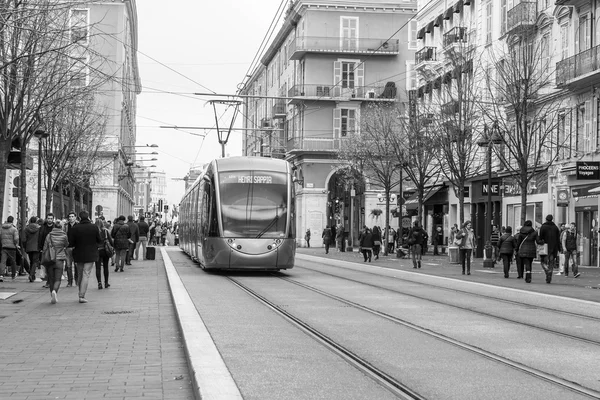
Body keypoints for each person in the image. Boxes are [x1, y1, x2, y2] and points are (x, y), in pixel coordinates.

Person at [68, 211, 102, 303]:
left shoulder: (75, 228)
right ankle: (82, 295)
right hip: (91, 254)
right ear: (88, 217)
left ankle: (80, 291)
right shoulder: (94, 227)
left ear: (79, 217)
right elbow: (99, 240)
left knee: (80, 274)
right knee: (86, 274)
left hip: (78, 254)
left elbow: (71, 243)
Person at [42, 221, 69, 304]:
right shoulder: (64, 235)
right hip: (60, 259)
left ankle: (51, 294)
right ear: (61, 227)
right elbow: (66, 245)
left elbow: (45, 247)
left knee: (51, 279)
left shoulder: (49, 235)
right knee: (58, 279)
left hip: (50, 259)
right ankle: (55, 291)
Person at [537, 214, 561, 284]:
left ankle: (547, 270)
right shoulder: (555, 228)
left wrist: (540, 242)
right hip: (554, 248)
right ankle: (549, 275)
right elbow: (558, 239)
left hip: (545, 247)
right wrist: (559, 249)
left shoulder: (543, 227)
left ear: (546, 219)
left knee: (543, 262)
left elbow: (540, 237)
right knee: (551, 262)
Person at [95, 218, 113, 289]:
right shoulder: (105, 231)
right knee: (106, 267)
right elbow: (110, 241)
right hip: (105, 250)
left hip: (97, 250)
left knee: (98, 267)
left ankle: (99, 282)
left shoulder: (94, 231)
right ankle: (106, 283)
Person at [0, 216, 20, 281]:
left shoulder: (2, 228)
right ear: (12, 221)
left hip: (4, 246)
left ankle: (1, 275)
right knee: (13, 261)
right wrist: (16, 244)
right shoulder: (14, 229)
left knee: (3, 261)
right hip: (12, 247)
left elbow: (0, 237)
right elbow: (16, 238)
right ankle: (13, 275)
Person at [23, 216, 41, 282]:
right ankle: (31, 274)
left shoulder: (26, 229)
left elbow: (24, 239)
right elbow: (40, 238)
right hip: (36, 247)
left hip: (29, 247)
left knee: (31, 261)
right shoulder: (39, 228)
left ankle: (32, 276)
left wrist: (25, 246)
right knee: (35, 261)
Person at [63, 211, 78, 287]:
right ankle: (70, 281)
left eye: (72, 216)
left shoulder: (78, 225)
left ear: (75, 217)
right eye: (70, 217)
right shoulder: (65, 226)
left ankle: (77, 280)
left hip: (76, 248)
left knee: (76, 265)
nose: (71, 218)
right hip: (68, 248)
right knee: (68, 265)